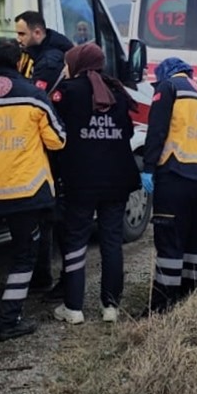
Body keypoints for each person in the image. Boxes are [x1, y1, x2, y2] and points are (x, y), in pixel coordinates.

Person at [0, 38, 66, 340]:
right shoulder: (35, 97)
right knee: (22, 256)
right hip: (25, 193)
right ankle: (9, 320)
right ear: (20, 62)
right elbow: (58, 140)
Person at [49, 43, 139, 324]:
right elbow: (127, 130)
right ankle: (110, 306)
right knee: (112, 241)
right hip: (117, 178)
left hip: (81, 179)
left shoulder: (67, 91)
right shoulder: (118, 92)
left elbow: (52, 126)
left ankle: (73, 307)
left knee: (76, 238)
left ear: (77, 63)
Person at [140, 56, 197, 315]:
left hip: (178, 174)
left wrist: (148, 168)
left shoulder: (169, 89)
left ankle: (162, 306)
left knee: (170, 242)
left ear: (165, 74)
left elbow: (157, 130)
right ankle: (194, 300)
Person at [13, 10, 74, 291]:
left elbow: (34, 97)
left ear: (38, 33)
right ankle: (43, 276)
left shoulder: (49, 61)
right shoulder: (43, 52)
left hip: (50, 145)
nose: (19, 39)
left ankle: (43, 278)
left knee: (46, 215)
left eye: (22, 33)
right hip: (48, 141)